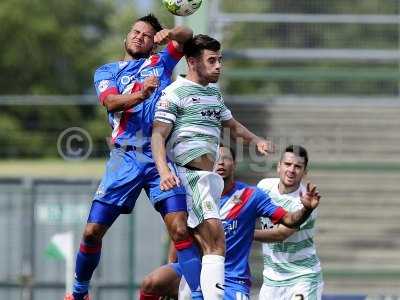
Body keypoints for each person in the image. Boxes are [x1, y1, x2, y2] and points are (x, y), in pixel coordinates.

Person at [64, 15, 195, 300]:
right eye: (136, 32)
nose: (139, 36)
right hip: (125, 159)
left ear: (153, 43)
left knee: (181, 230)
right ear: (126, 36)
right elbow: (110, 102)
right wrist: (141, 94)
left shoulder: (161, 62)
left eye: (147, 35)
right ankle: (78, 293)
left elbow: (188, 35)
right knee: (91, 232)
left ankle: (198, 294)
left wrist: (171, 32)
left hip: (160, 158)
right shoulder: (107, 71)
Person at [151, 34, 277, 299]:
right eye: (212, 60)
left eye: (220, 60)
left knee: (200, 245)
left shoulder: (213, 93)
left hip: (208, 178)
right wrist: (164, 172)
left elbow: (231, 124)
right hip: (191, 175)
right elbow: (158, 135)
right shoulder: (174, 93)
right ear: (193, 62)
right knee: (215, 242)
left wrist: (256, 140)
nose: (218, 65)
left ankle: (189, 293)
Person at [140, 145, 322, 300]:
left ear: (234, 164)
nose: (220, 162)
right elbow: (180, 232)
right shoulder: (195, 194)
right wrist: (171, 265)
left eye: (225, 158)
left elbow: (284, 228)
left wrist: (306, 208)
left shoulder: (253, 195)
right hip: (200, 270)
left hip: (242, 278)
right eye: (215, 158)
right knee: (151, 283)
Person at [255, 145, 324, 300]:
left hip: (303, 277)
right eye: (287, 164)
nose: (291, 170)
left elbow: (280, 234)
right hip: (271, 280)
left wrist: (242, 232)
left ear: (305, 172)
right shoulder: (264, 187)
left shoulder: (307, 202)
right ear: (279, 166)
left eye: (298, 166)